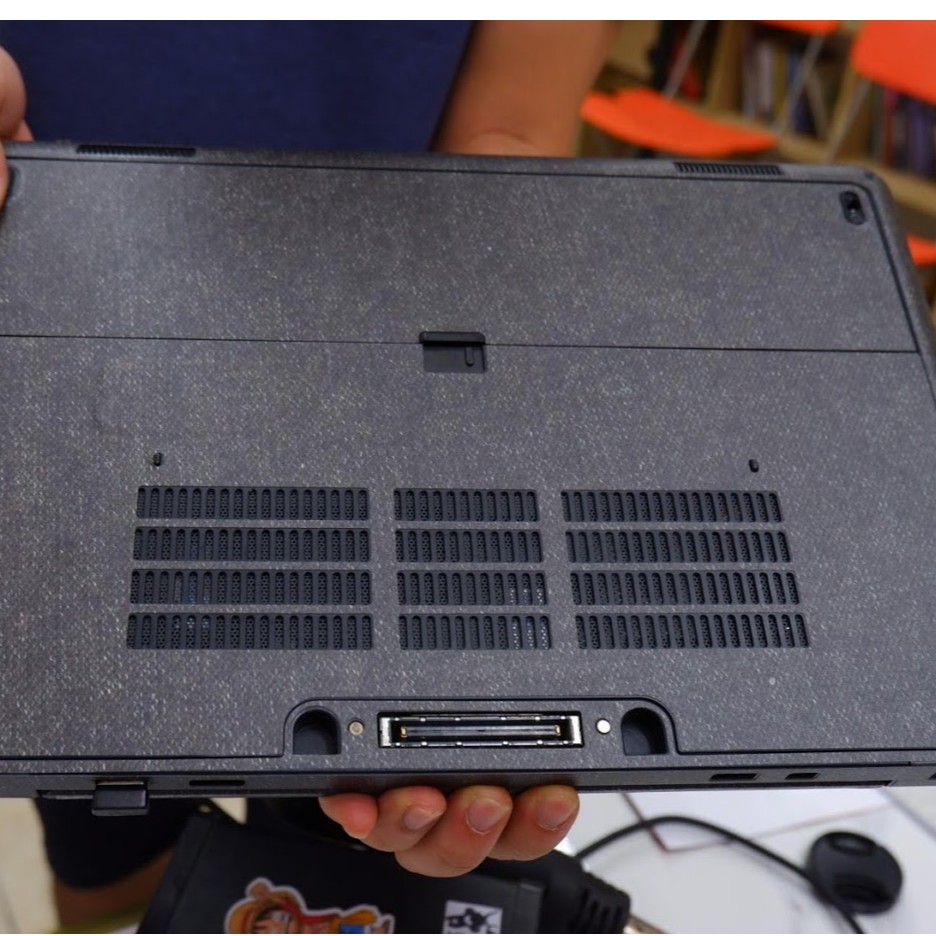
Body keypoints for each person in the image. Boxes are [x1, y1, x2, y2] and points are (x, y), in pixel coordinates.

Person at [0, 20, 617, 926]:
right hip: (71, 386)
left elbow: (507, 144)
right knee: (109, 833)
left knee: (350, 820)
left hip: (385, 390)